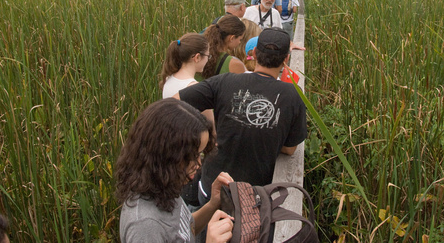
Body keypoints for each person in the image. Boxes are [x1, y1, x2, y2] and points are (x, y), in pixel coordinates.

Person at [174, 28, 307, 206]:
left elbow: (175, 102)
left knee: (207, 230)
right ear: (286, 59)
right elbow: (290, 149)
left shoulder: (224, 81)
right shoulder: (292, 95)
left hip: (213, 185)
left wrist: (205, 133)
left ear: (255, 54)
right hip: (253, 196)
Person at [117, 99, 234, 243]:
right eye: (192, 156)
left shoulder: (162, 187)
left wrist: (212, 204)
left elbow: (184, 230)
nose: (198, 164)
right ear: (165, 156)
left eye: (200, 155)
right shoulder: (145, 226)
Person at [160, 33, 210, 99]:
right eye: (208, 56)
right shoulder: (197, 89)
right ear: (197, 57)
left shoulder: (168, 79)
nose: (208, 60)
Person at [200, 15, 246, 79]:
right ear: (232, 38)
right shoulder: (235, 65)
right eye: (240, 39)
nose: (239, 42)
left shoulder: (198, 55)